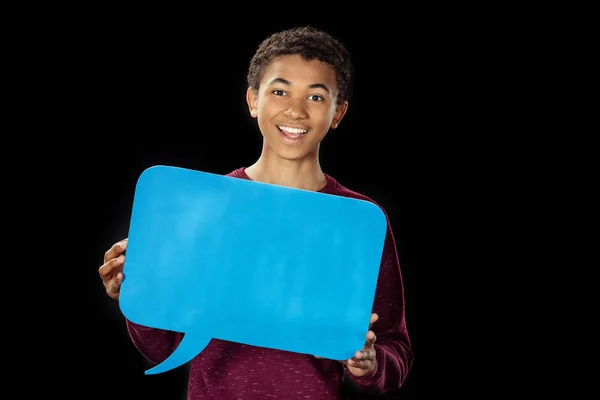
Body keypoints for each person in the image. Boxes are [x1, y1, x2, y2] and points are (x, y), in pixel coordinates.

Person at [98, 25, 413, 399]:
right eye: (279, 91)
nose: (295, 110)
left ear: (338, 112)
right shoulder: (204, 208)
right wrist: (138, 297)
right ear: (253, 100)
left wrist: (369, 362)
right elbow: (163, 347)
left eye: (316, 96)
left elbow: (395, 350)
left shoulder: (358, 220)